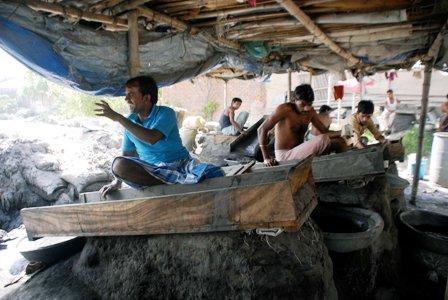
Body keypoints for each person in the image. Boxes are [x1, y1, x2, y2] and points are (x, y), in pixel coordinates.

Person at [95, 75, 223, 198]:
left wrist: (118, 118)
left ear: (146, 98)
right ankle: (175, 185)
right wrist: (117, 182)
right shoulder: (130, 121)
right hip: (153, 171)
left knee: (214, 173)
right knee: (119, 165)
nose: (126, 99)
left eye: (131, 94)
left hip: (180, 164)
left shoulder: (166, 113)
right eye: (126, 94)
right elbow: (127, 154)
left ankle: (173, 184)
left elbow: (152, 138)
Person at [258, 84, 346, 167]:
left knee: (340, 141)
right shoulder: (284, 109)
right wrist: (266, 158)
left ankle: (340, 172)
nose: (306, 108)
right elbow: (262, 129)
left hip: (299, 151)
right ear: (294, 99)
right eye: (303, 104)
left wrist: (342, 133)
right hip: (285, 155)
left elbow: (324, 131)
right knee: (323, 139)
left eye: (310, 104)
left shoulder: (310, 112)